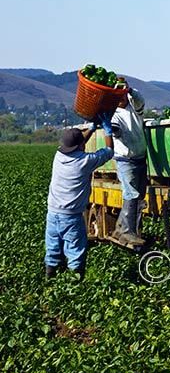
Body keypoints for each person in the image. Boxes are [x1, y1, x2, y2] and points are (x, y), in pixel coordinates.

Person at [45, 114, 114, 280]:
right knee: (75, 251)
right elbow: (109, 151)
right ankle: (75, 284)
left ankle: (49, 279)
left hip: (52, 213)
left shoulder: (59, 156)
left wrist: (90, 128)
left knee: (53, 249)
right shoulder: (85, 161)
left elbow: (79, 143)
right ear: (81, 145)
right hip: (71, 216)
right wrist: (107, 131)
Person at [111, 85, 147, 247]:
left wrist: (131, 90)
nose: (120, 98)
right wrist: (111, 129)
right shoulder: (113, 114)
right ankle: (128, 232)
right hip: (125, 159)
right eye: (116, 95)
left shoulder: (134, 108)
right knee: (131, 193)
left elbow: (140, 99)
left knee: (139, 195)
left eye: (122, 94)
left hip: (140, 157)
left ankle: (122, 228)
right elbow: (115, 131)